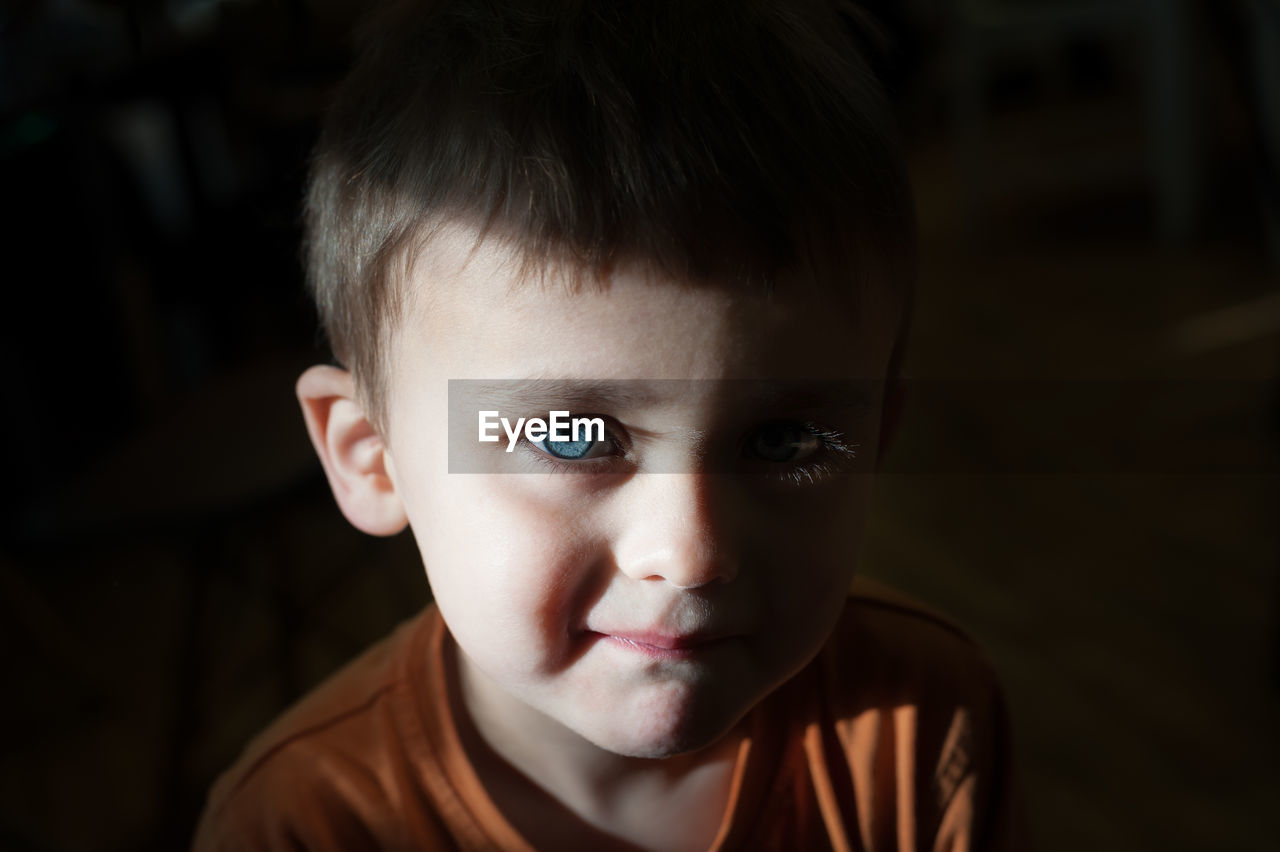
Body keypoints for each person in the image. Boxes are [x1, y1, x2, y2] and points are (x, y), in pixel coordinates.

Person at [194, 0, 1025, 848]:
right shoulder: (300, 825)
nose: (692, 553)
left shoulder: (925, 724)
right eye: (572, 437)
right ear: (371, 458)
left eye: (784, 440)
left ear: (876, 440)